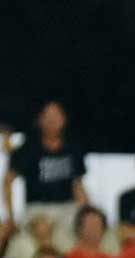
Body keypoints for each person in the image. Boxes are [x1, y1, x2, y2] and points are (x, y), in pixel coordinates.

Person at [2, 101, 88, 243]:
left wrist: (88, 211)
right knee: (42, 228)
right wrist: (11, 217)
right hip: (37, 209)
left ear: (64, 119)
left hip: (67, 208)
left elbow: (78, 185)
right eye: (47, 116)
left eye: (56, 116)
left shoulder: (73, 148)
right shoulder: (28, 149)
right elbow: (8, 181)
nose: (52, 121)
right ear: (40, 120)